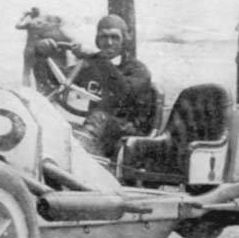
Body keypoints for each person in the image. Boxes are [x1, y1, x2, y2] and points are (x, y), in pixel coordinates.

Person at [35, 14, 157, 158]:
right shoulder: (92, 66)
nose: (109, 43)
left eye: (115, 37)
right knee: (57, 127)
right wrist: (41, 55)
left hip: (129, 133)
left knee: (99, 118)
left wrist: (98, 57)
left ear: (124, 40)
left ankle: (79, 160)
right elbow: (56, 81)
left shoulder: (138, 70)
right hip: (98, 129)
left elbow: (124, 92)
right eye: (104, 37)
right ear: (97, 40)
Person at [15, 6, 45, 86]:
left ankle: (26, 89)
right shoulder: (43, 23)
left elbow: (17, 25)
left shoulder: (30, 23)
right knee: (39, 71)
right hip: (40, 49)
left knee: (26, 71)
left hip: (30, 48)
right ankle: (40, 90)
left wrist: (24, 16)